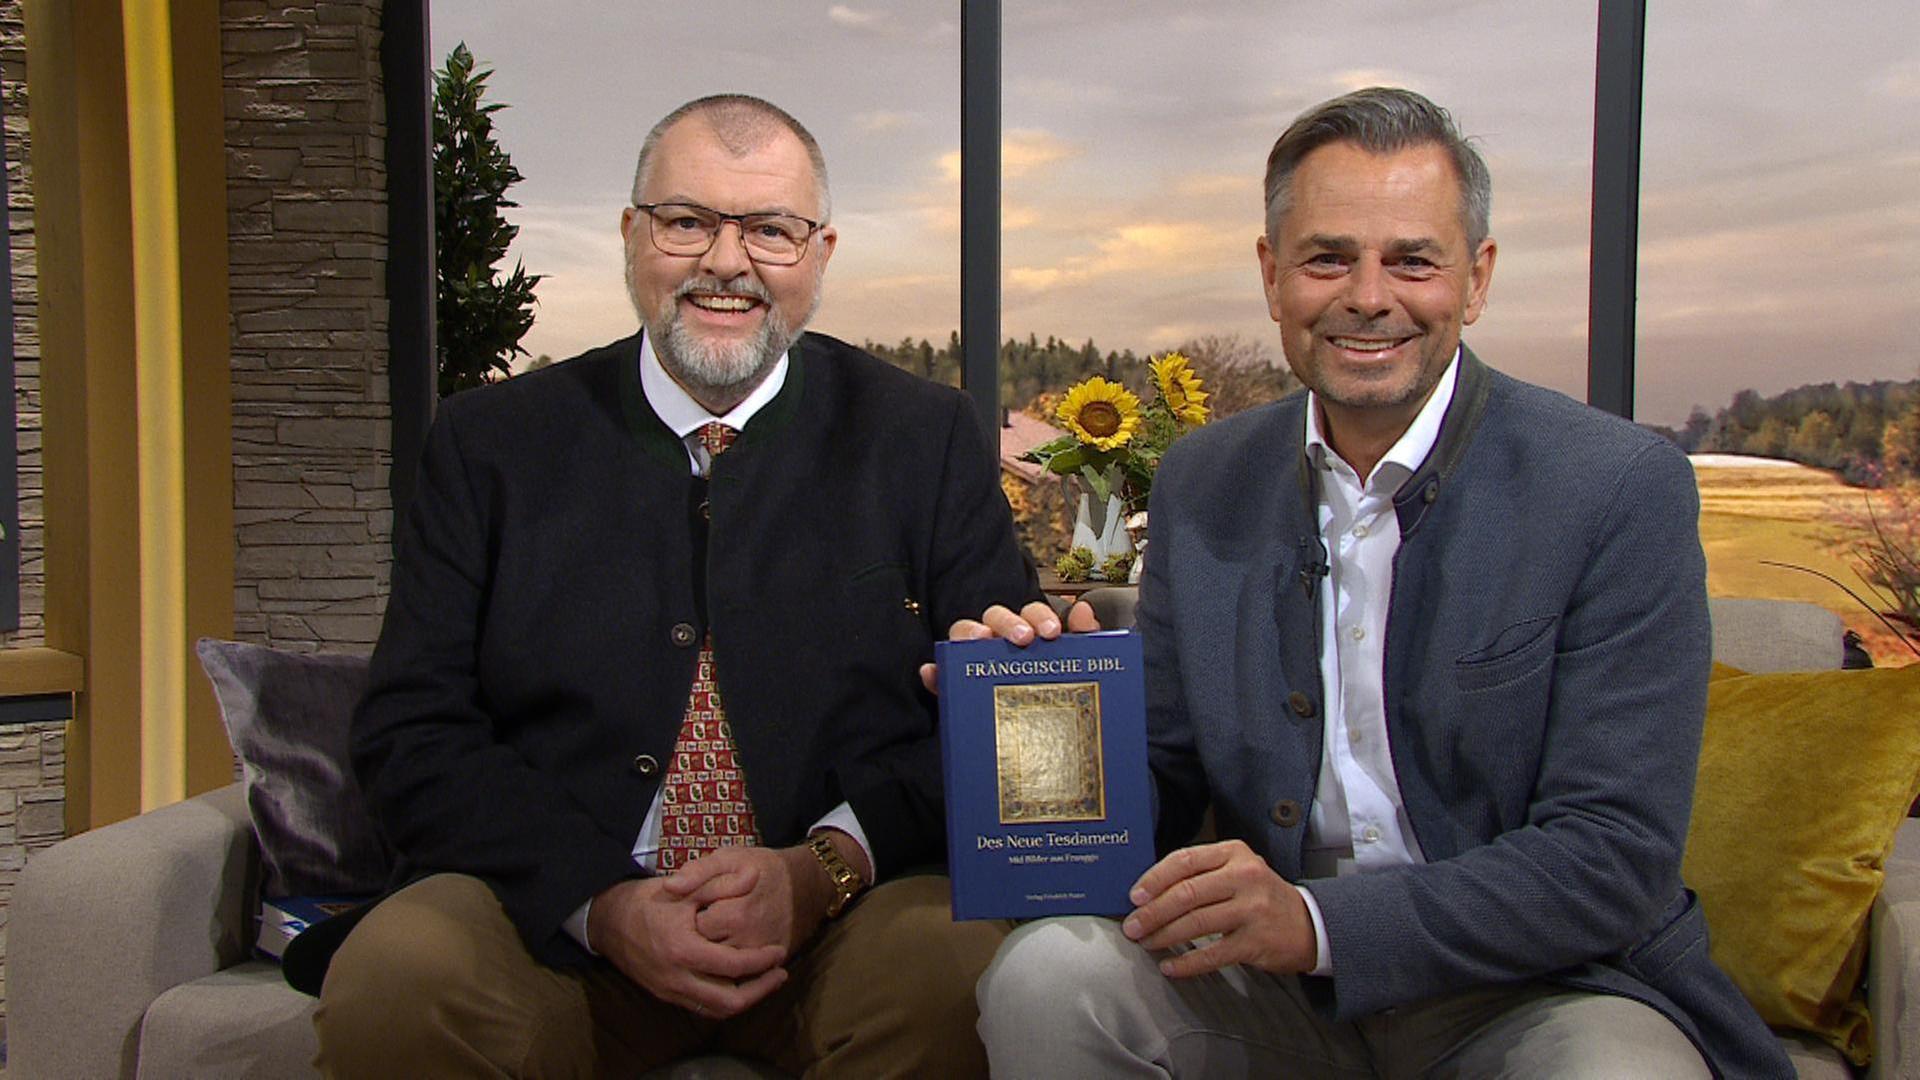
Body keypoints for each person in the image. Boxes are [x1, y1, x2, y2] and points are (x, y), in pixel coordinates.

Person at [957, 88, 1790, 1077]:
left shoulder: (1614, 488)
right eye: (1327, 258)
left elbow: (1611, 855)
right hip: (1269, 988)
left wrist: (1314, 921)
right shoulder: (1205, 479)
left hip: (1544, 989)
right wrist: (1043, 723)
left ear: (1475, 280)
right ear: (1273, 278)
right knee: (1045, 980)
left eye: (1412, 259)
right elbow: (1164, 779)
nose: (1367, 294)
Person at [306, 94, 1038, 1078]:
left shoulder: (925, 437)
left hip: (847, 922)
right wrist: (604, 903)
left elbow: (994, 718)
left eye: (770, 230)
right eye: (688, 221)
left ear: (820, 253)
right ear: (631, 236)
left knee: (957, 967)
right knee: (399, 974)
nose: (726, 263)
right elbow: (412, 731)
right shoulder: (490, 446)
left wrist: (821, 871)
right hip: (558, 930)